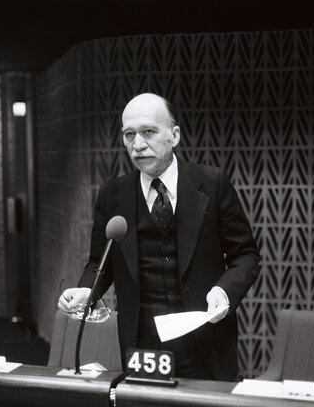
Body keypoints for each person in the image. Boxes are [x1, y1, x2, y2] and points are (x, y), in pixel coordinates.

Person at [58, 93, 260, 381]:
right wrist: (86, 292)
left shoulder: (213, 183)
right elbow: (99, 263)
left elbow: (245, 255)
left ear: (174, 135)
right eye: (129, 135)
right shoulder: (112, 194)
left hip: (205, 339)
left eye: (148, 132)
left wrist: (225, 291)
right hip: (142, 344)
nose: (138, 144)